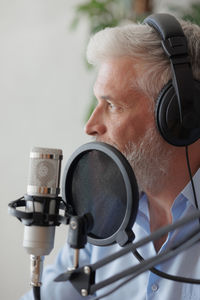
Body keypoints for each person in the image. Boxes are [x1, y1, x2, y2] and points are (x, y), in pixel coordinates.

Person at [21, 13, 200, 300]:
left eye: (113, 105)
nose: (90, 126)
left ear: (178, 116)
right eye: (97, 102)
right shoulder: (103, 212)